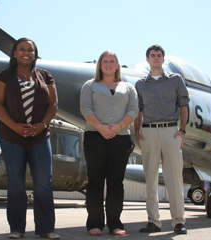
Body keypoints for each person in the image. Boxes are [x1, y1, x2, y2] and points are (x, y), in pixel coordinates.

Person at [0, 38, 60, 239]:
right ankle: (17, 229)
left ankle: (46, 229)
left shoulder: (45, 76)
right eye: (21, 49)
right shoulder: (4, 76)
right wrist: (15, 127)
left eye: (30, 50)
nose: (26, 52)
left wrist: (42, 125)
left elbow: (53, 104)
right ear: (14, 53)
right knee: (15, 183)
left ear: (35, 54)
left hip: (40, 137)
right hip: (11, 137)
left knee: (43, 182)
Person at [80, 50, 138, 236]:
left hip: (120, 139)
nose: (108, 64)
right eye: (104, 61)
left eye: (112, 61)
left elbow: (134, 109)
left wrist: (119, 127)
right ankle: (94, 223)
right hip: (95, 137)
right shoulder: (90, 85)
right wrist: (101, 127)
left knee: (116, 182)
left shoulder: (128, 87)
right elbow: (85, 107)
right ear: (100, 65)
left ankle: (115, 223)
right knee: (95, 181)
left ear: (117, 65)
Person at [134, 44, 189, 234]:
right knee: (150, 178)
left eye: (159, 55)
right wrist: (137, 132)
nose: (156, 58)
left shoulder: (176, 80)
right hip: (148, 132)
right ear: (147, 59)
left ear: (163, 59)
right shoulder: (140, 84)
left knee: (174, 178)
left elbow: (183, 106)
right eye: (152, 55)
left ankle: (178, 222)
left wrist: (182, 130)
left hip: (171, 132)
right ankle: (153, 221)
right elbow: (138, 110)